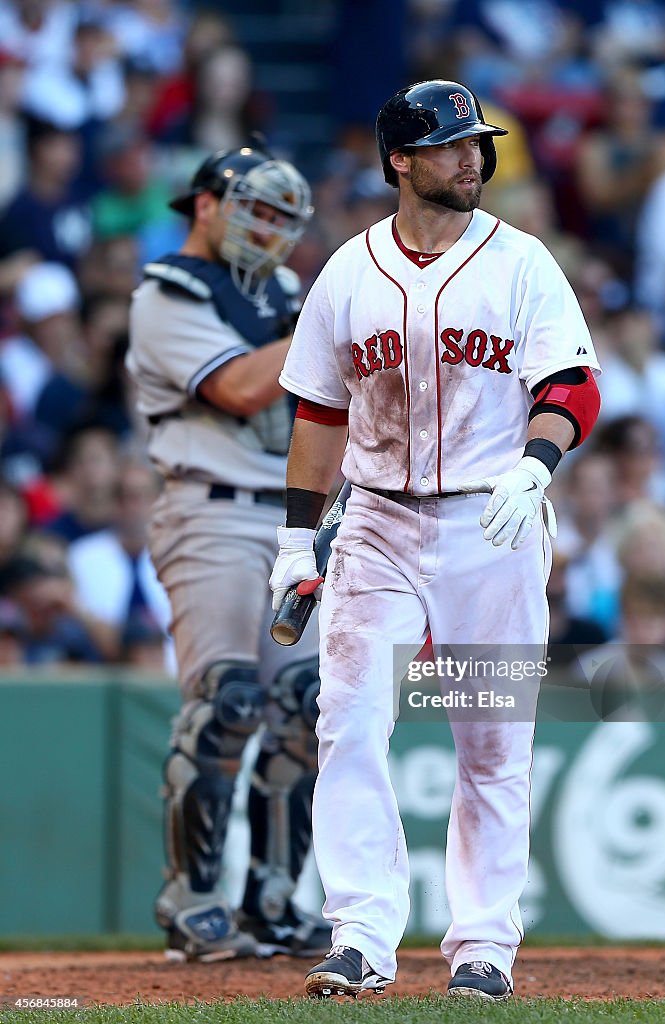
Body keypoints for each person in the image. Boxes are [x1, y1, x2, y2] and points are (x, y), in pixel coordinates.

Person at [268, 79, 601, 1000]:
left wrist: (536, 463)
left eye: (477, 144)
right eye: (452, 146)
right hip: (374, 520)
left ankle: (483, 948)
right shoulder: (349, 269)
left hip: (488, 523)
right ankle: (360, 937)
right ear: (399, 163)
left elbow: (572, 386)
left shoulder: (522, 261)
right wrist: (298, 539)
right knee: (349, 721)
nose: (472, 158)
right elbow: (319, 411)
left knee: (490, 740)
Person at [126, 139, 330, 962]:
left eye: (285, 216)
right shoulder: (165, 292)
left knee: (313, 709)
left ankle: (273, 902)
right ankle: (194, 902)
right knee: (227, 705)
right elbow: (240, 387)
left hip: (292, 517)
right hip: (208, 509)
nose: (271, 229)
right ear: (205, 204)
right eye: (256, 209)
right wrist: (327, 320)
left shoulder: (282, 291)